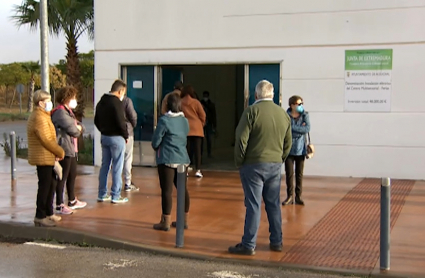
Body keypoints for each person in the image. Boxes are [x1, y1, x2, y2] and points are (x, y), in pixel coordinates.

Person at [228, 80, 292, 255]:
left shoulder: (251, 112)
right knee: (273, 204)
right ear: (272, 94)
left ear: (255, 95)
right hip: (274, 165)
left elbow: (241, 139)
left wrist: (240, 162)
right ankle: (276, 241)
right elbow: (288, 142)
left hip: (253, 165)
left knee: (253, 205)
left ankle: (249, 244)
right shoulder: (283, 114)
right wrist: (280, 159)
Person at [151, 93, 191, 231]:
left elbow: (156, 141)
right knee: (182, 189)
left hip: (167, 159)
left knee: (167, 191)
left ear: (167, 105)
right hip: (183, 159)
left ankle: (165, 221)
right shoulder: (184, 121)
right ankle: (183, 220)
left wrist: (157, 146)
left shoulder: (164, 121)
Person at [27, 90, 65, 227]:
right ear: (40, 103)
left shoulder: (44, 115)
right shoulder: (39, 117)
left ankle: (49, 212)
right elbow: (46, 140)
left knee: (52, 184)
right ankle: (40, 215)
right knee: (44, 186)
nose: (50, 103)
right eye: (47, 101)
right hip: (42, 156)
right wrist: (60, 151)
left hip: (48, 156)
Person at [51, 86, 87, 215]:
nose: (75, 100)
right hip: (64, 149)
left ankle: (72, 200)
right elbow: (74, 131)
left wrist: (78, 127)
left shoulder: (68, 112)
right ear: (66, 98)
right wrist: (77, 128)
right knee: (62, 176)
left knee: (72, 175)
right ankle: (60, 204)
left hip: (71, 149)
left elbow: (81, 127)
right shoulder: (60, 112)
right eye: (73, 98)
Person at [94, 79, 129, 204]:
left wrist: (103, 129)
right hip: (117, 138)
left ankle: (102, 193)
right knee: (117, 166)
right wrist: (126, 135)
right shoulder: (117, 103)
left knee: (105, 166)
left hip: (105, 137)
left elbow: (96, 120)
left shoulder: (101, 102)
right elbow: (121, 122)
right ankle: (116, 194)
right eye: (123, 93)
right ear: (120, 91)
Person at [282, 95, 311, 206]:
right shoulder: (285, 115)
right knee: (289, 174)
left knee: (299, 174)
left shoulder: (305, 115)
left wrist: (293, 129)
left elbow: (307, 128)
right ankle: (289, 196)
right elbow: (285, 129)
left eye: (301, 103)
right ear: (292, 105)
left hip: (301, 149)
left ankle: (298, 196)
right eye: (298, 104)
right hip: (289, 148)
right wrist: (299, 129)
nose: (301, 106)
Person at [180, 85, 206, 178]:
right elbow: (203, 115)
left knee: (186, 151)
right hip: (197, 129)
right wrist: (200, 124)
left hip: (185, 129)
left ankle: (186, 170)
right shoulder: (196, 102)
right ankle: (198, 170)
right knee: (197, 151)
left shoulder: (180, 103)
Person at [122, 95, 139, 192]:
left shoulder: (108, 100)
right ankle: (128, 182)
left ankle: (116, 185)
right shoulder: (126, 101)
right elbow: (133, 116)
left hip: (113, 134)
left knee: (114, 160)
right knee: (127, 158)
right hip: (127, 133)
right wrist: (132, 125)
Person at [200, 91, 217, 158]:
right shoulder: (200, 104)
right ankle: (200, 153)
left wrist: (214, 125)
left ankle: (209, 153)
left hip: (209, 123)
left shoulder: (211, 105)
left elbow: (213, 115)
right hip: (202, 123)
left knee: (209, 139)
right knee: (201, 139)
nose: (205, 97)